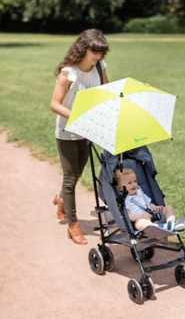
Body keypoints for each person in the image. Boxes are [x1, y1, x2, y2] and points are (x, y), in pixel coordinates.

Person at [51, 29, 109, 245]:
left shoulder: (100, 68)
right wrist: (79, 117)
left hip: (87, 130)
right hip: (67, 132)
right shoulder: (69, 73)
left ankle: (61, 199)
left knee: (77, 175)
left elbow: (105, 93)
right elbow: (54, 105)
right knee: (69, 178)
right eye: (94, 52)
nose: (97, 57)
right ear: (83, 49)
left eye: (101, 53)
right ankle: (73, 225)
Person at [115, 167, 185, 232]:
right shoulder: (124, 200)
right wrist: (141, 216)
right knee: (139, 223)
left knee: (168, 208)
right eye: (129, 183)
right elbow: (129, 216)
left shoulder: (140, 192)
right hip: (142, 220)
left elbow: (148, 204)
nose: (134, 184)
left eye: (135, 181)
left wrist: (155, 207)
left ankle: (171, 224)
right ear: (120, 188)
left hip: (153, 215)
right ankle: (159, 227)